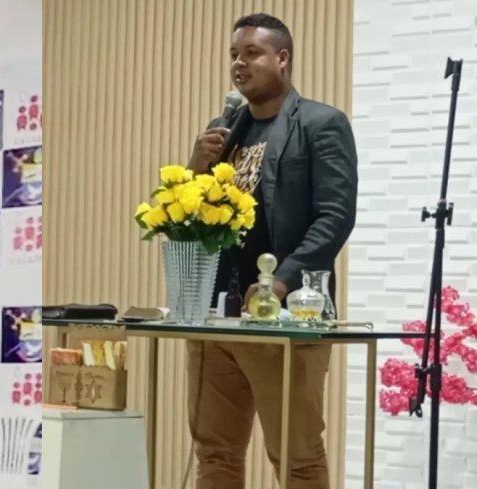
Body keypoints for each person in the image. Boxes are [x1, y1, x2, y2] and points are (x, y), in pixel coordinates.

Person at [186, 13, 357, 489]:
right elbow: (190, 218)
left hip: (285, 319)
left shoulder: (320, 124)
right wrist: (195, 166)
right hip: (217, 319)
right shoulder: (222, 131)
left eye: (252, 53)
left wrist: (278, 284)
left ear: (282, 58)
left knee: (297, 458)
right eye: (233, 55)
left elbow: (335, 217)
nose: (239, 64)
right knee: (215, 454)